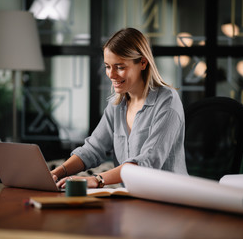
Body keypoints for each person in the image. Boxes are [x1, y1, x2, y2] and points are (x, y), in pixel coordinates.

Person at [51, 27, 187, 189]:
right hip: (130, 198)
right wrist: (57, 173)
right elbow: (93, 149)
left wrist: (98, 179)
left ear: (143, 63)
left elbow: (148, 162)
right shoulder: (116, 105)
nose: (111, 74)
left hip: (169, 199)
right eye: (108, 66)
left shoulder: (168, 101)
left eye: (120, 67)